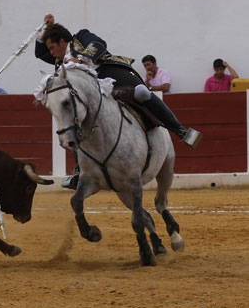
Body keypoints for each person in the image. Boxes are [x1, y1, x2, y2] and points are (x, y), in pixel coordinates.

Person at [35, 14, 202, 189]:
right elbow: (39, 52)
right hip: (92, 91)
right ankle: (79, 171)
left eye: (52, 47)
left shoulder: (81, 37)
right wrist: (46, 28)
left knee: (142, 92)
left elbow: (98, 44)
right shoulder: (59, 59)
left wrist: (81, 58)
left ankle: (181, 131)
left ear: (62, 41)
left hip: (108, 72)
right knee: (76, 121)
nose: (51, 53)